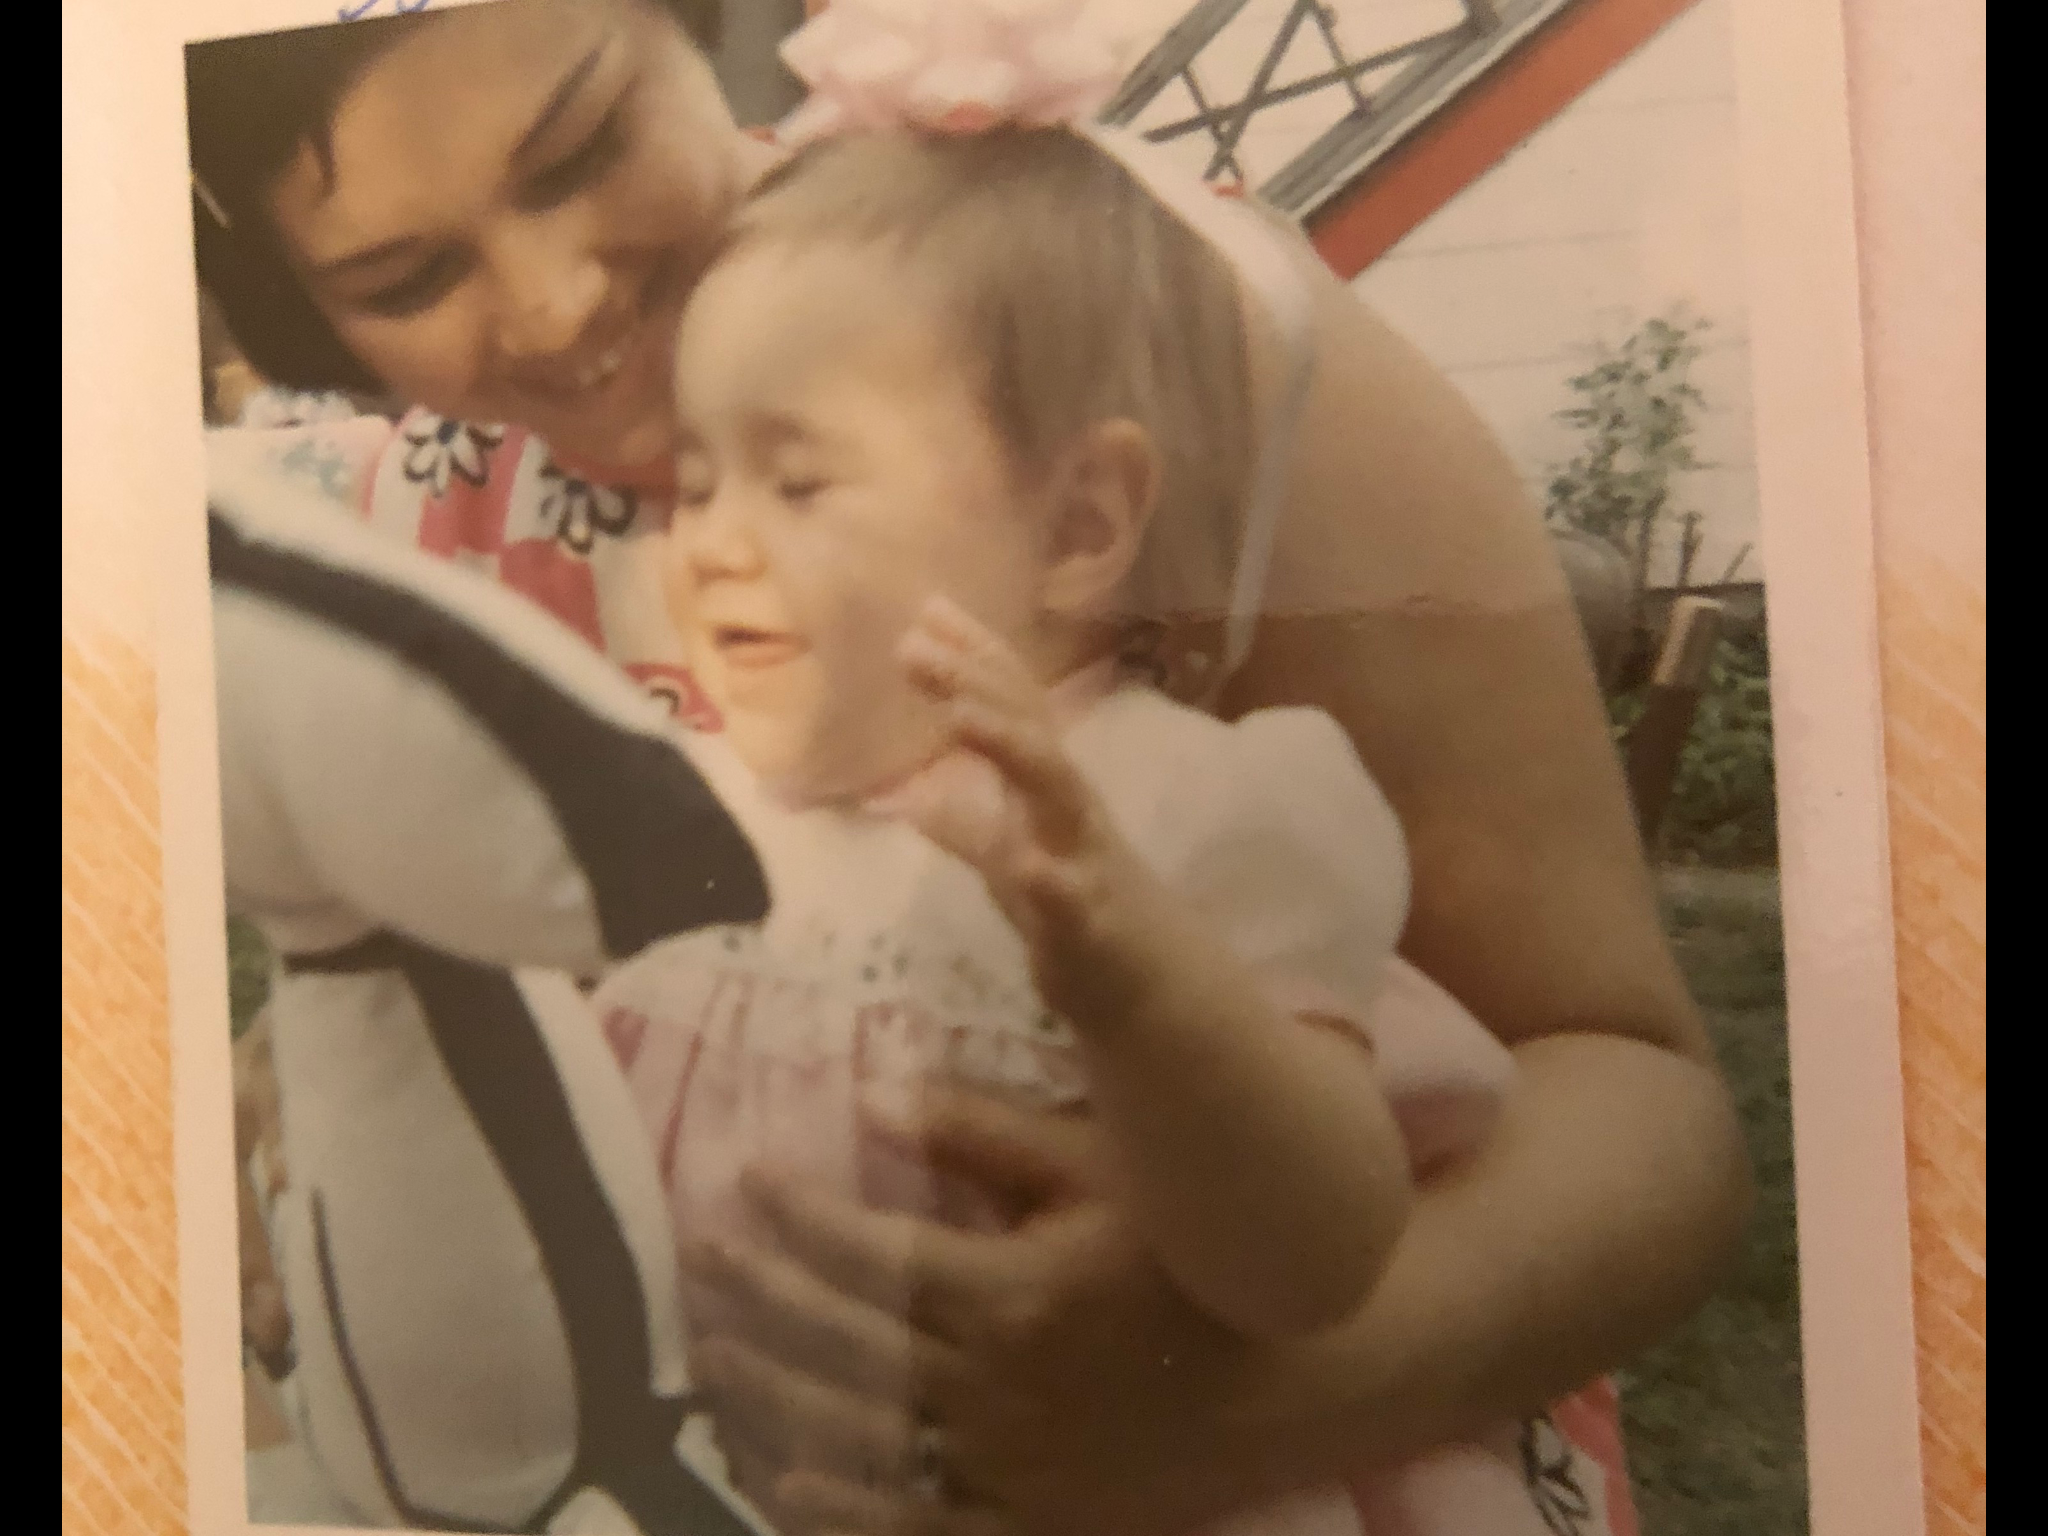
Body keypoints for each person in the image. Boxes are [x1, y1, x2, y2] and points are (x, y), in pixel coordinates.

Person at [188, 1, 1752, 1531]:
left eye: (583, 144)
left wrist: (1242, 1405)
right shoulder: (424, 512)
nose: (549, 308)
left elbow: (1640, 1094)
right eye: (402, 277)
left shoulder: (1155, 323)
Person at [593, 102, 1583, 1535]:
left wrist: (1132, 978)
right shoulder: (685, 811)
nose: (711, 544)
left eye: (797, 481)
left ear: (1078, 526)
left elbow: (1316, 1264)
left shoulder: (1181, 818)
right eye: (694, 484)